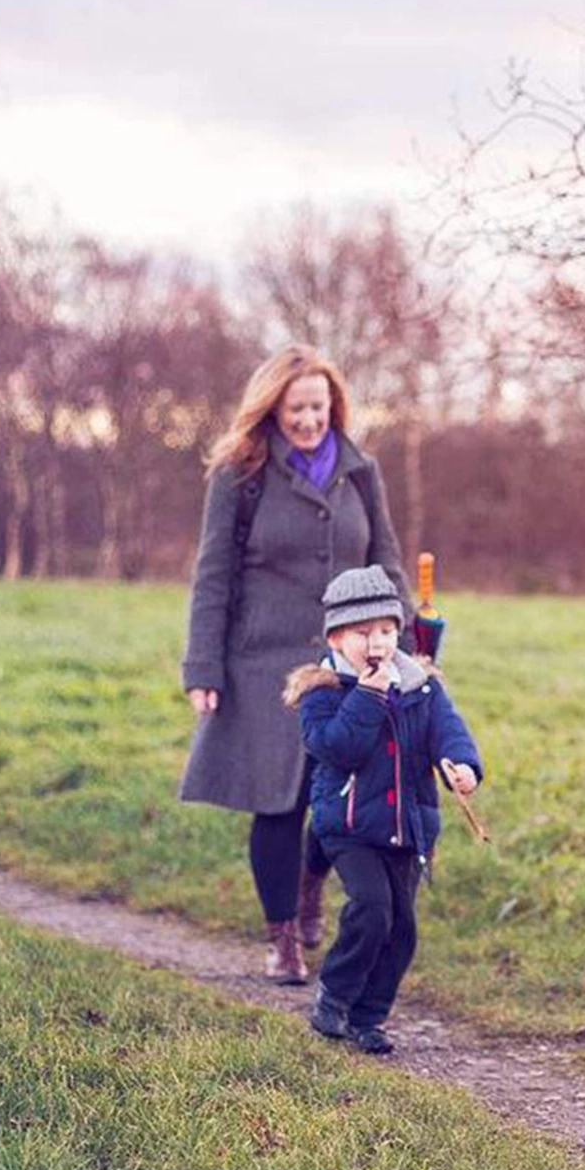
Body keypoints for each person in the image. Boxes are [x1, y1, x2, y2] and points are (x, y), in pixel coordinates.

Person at [179, 344, 413, 985]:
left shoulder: (361, 469)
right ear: (271, 409)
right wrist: (204, 667)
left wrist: (409, 641)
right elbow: (213, 575)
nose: (309, 420)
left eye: (318, 406)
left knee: (342, 798)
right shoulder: (239, 473)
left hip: (348, 661)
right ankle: (283, 938)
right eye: (296, 409)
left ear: (333, 405)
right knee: (279, 804)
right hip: (263, 666)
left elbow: (387, 560)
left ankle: (312, 886)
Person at [284, 564, 483, 1055]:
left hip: (408, 824)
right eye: (362, 633)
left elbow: (447, 730)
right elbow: (337, 748)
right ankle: (335, 993)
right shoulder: (321, 689)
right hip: (348, 824)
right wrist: (370, 695)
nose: (376, 643)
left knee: (402, 929)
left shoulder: (420, 685)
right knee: (372, 910)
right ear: (335, 637)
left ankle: (368, 1017)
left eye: (387, 631)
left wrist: (462, 765)